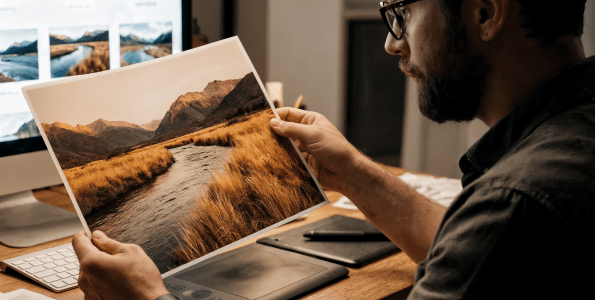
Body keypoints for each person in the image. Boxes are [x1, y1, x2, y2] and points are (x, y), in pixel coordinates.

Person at [72, 0, 595, 299]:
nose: (393, 43)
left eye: (403, 12)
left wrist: (150, 299)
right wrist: (354, 174)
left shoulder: (517, 202)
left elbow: (495, 233)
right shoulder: (566, 148)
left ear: (484, 12)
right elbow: (483, 249)